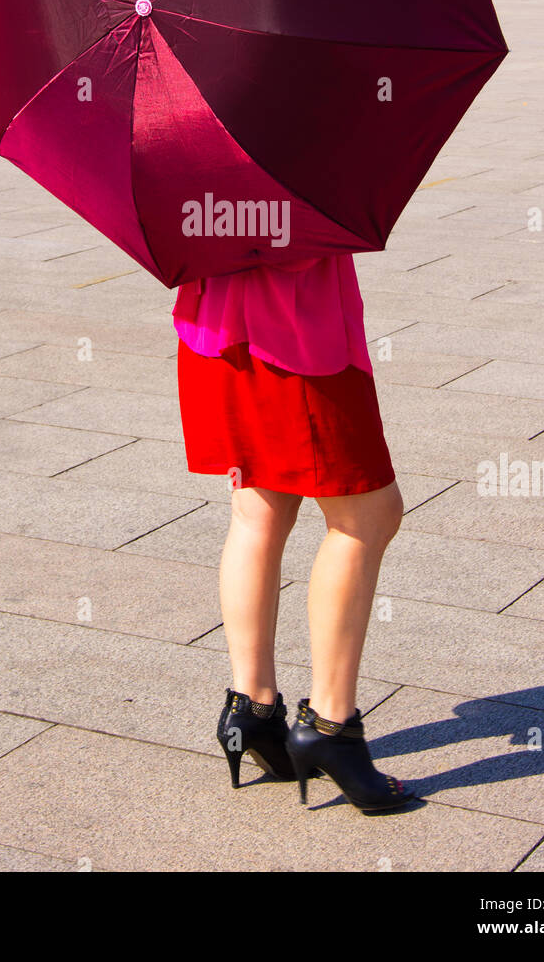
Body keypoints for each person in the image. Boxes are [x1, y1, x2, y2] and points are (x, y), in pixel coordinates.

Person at [173, 253, 418, 814]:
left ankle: (252, 709)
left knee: (258, 508)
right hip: (296, 336)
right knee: (368, 515)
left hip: (219, 324)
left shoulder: (190, 166)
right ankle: (331, 725)